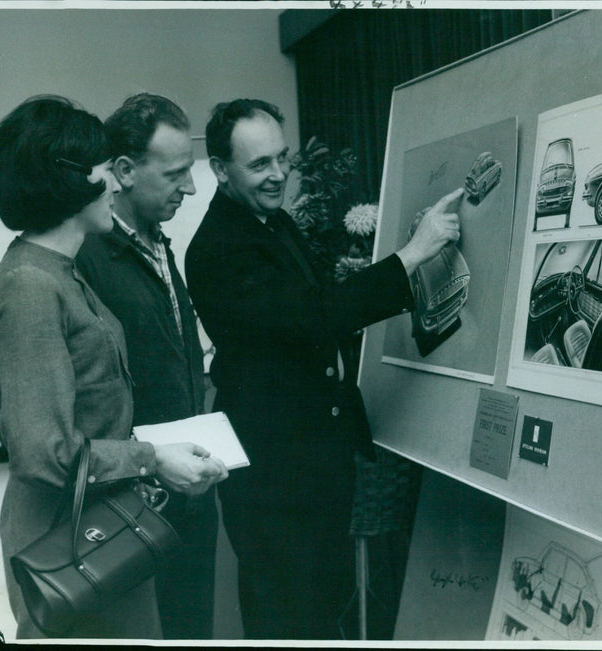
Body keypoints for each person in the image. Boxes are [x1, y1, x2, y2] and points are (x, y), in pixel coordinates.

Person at [185, 98, 462, 639]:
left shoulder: (274, 223)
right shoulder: (217, 248)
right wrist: (412, 254)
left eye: (282, 158)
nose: (279, 175)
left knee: (321, 613)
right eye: (259, 164)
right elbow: (309, 317)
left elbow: (317, 308)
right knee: (288, 621)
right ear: (220, 170)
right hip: (273, 483)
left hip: (312, 469)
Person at [0, 96, 227, 639]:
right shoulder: (29, 287)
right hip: (66, 540)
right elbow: (44, 454)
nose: (116, 186)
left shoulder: (59, 272)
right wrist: (154, 458)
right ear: (69, 182)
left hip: (99, 525)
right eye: (103, 170)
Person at [76, 93, 217, 640]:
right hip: (133, 498)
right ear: (125, 171)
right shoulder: (88, 257)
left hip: (185, 488)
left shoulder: (159, 243)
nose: (190, 187)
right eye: (177, 173)